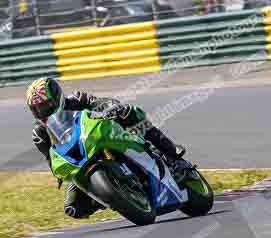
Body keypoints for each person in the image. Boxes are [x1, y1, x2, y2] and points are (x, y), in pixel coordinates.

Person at [27, 77, 192, 219]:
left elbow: (101, 102)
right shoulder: (39, 133)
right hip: (78, 157)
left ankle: (170, 152)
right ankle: (114, 196)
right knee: (73, 207)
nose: (42, 111)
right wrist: (61, 174)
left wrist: (112, 108)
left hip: (103, 133)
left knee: (130, 113)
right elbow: (51, 158)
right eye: (37, 109)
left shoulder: (77, 99)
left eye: (46, 105)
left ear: (57, 98)